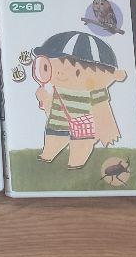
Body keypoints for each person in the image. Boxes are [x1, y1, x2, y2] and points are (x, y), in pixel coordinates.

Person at [32, 31, 127, 169]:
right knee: (53, 140)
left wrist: (106, 129)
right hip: (57, 123)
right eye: (55, 67)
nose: (61, 74)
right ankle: (47, 155)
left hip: (82, 125)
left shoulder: (96, 91)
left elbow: (102, 109)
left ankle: (76, 162)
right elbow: (52, 108)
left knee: (81, 144)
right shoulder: (57, 89)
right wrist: (44, 98)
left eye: (77, 72)